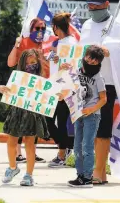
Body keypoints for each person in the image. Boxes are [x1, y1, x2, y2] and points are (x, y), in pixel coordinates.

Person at [8, 18, 57, 163]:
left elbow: (52, 63)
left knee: (35, 122)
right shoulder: (23, 42)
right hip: (23, 86)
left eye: (43, 28)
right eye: (37, 28)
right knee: (19, 120)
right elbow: (11, 62)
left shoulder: (47, 45)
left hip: (40, 87)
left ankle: (31, 153)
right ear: (31, 29)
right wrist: (16, 45)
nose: (40, 31)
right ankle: (17, 154)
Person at [0, 49, 50, 186]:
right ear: (22, 64)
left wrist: (57, 94)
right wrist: (2, 88)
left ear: (38, 63)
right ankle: (12, 167)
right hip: (17, 111)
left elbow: (49, 93)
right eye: (27, 63)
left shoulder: (42, 80)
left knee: (30, 144)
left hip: (33, 113)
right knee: (11, 142)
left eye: (33, 62)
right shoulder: (17, 77)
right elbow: (10, 90)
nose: (30, 65)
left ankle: (29, 175)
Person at [79, 0, 113, 185]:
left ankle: (99, 171)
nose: (93, 9)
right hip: (85, 82)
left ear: (106, 4)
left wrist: (110, 52)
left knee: (102, 130)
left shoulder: (116, 25)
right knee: (89, 130)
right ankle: (95, 170)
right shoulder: (86, 25)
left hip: (106, 82)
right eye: (90, 6)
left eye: (97, 6)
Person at [67, 45, 107, 188]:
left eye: (94, 61)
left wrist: (91, 109)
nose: (90, 62)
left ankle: (88, 177)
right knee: (77, 146)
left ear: (99, 63)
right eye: (89, 58)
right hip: (78, 114)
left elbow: (104, 99)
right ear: (85, 56)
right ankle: (80, 175)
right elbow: (68, 88)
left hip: (92, 115)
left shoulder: (98, 77)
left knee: (87, 146)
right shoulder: (77, 72)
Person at [47, 12, 78, 168]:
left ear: (56, 27)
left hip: (65, 88)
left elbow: (72, 66)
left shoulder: (70, 43)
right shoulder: (59, 43)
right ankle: (64, 149)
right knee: (50, 120)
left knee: (59, 120)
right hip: (55, 86)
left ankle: (63, 152)